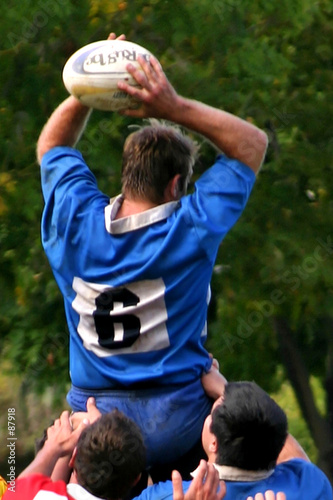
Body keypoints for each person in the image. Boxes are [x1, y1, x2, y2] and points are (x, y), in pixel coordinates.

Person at [36, 31, 268, 479]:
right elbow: (252, 145)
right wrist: (173, 107)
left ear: (126, 176)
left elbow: (52, 147)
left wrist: (90, 85)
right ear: (175, 187)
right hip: (178, 422)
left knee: (31, 477)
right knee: (245, 435)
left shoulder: (73, 223)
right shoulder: (192, 227)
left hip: (94, 423)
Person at [134, 382, 333, 500]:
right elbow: (291, 452)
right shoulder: (310, 483)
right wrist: (224, 386)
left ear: (214, 443)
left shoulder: (172, 495)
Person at [2, 405, 225, 500]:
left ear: (73, 459)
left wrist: (54, 447)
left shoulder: (35, 495)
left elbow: (21, 487)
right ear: (136, 480)